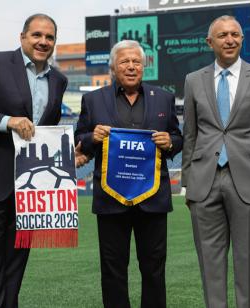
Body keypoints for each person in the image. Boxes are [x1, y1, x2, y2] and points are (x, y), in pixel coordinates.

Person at [0, 14, 67, 308]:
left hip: (30, 184)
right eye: (37, 35)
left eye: (50, 37)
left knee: (18, 257)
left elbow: (46, 132)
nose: (43, 42)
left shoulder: (59, 80)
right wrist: (8, 121)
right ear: (22, 38)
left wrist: (70, 153)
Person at [182, 15, 250, 308]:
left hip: (249, 180)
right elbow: (191, 133)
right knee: (209, 263)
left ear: (242, 39)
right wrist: (188, 182)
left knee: (249, 259)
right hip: (204, 182)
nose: (229, 40)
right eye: (223, 35)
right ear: (209, 42)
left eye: (235, 34)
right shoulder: (192, 81)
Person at [75, 40, 183, 308]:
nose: (131, 66)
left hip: (153, 199)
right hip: (111, 200)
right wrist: (92, 137)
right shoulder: (93, 99)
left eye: (137, 61)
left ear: (144, 66)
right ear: (113, 66)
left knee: (154, 270)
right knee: (112, 271)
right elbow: (79, 139)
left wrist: (170, 142)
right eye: (124, 61)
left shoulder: (164, 99)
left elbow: (179, 138)